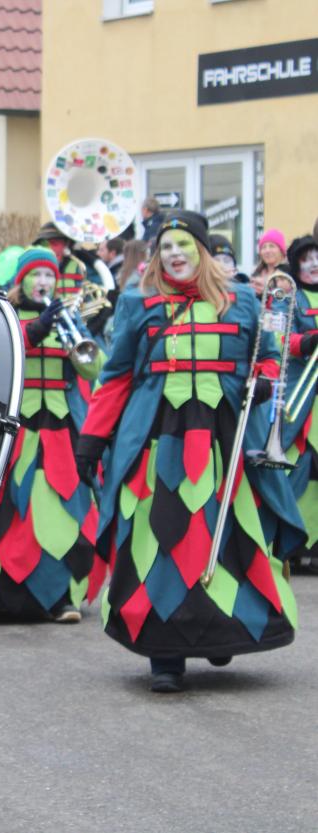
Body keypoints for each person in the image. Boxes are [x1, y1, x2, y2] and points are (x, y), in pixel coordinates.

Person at [75, 211, 303, 693]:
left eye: (185, 244)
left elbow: (266, 354)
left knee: (234, 538)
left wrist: (262, 380)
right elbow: (116, 376)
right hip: (162, 441)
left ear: (202, 250)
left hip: (225, 439)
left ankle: (225, 630)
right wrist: (92, 439)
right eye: (167, 246)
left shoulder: (241, 299)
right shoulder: (139, 304)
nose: (175, 254)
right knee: (161, 540)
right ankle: (166, 654)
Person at [0, 248, 106, 622]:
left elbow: (94, 368)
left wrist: (78, 344)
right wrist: (36, 329)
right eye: (37, 276)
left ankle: (62, 597)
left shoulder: (69, 318)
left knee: (64, 512)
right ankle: (4, 594)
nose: (44, 283)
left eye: (50, 277)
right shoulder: (6, 313)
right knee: (12, 511)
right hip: (16, 428)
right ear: (22, 280)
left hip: (61, 428)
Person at [281, 235, 318, 573]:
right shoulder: (289, 295)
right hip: (302, 396)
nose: (314, 264)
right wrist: (305, 342)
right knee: (299, 465)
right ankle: (293, 542)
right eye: (307, 258)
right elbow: (276, 335)